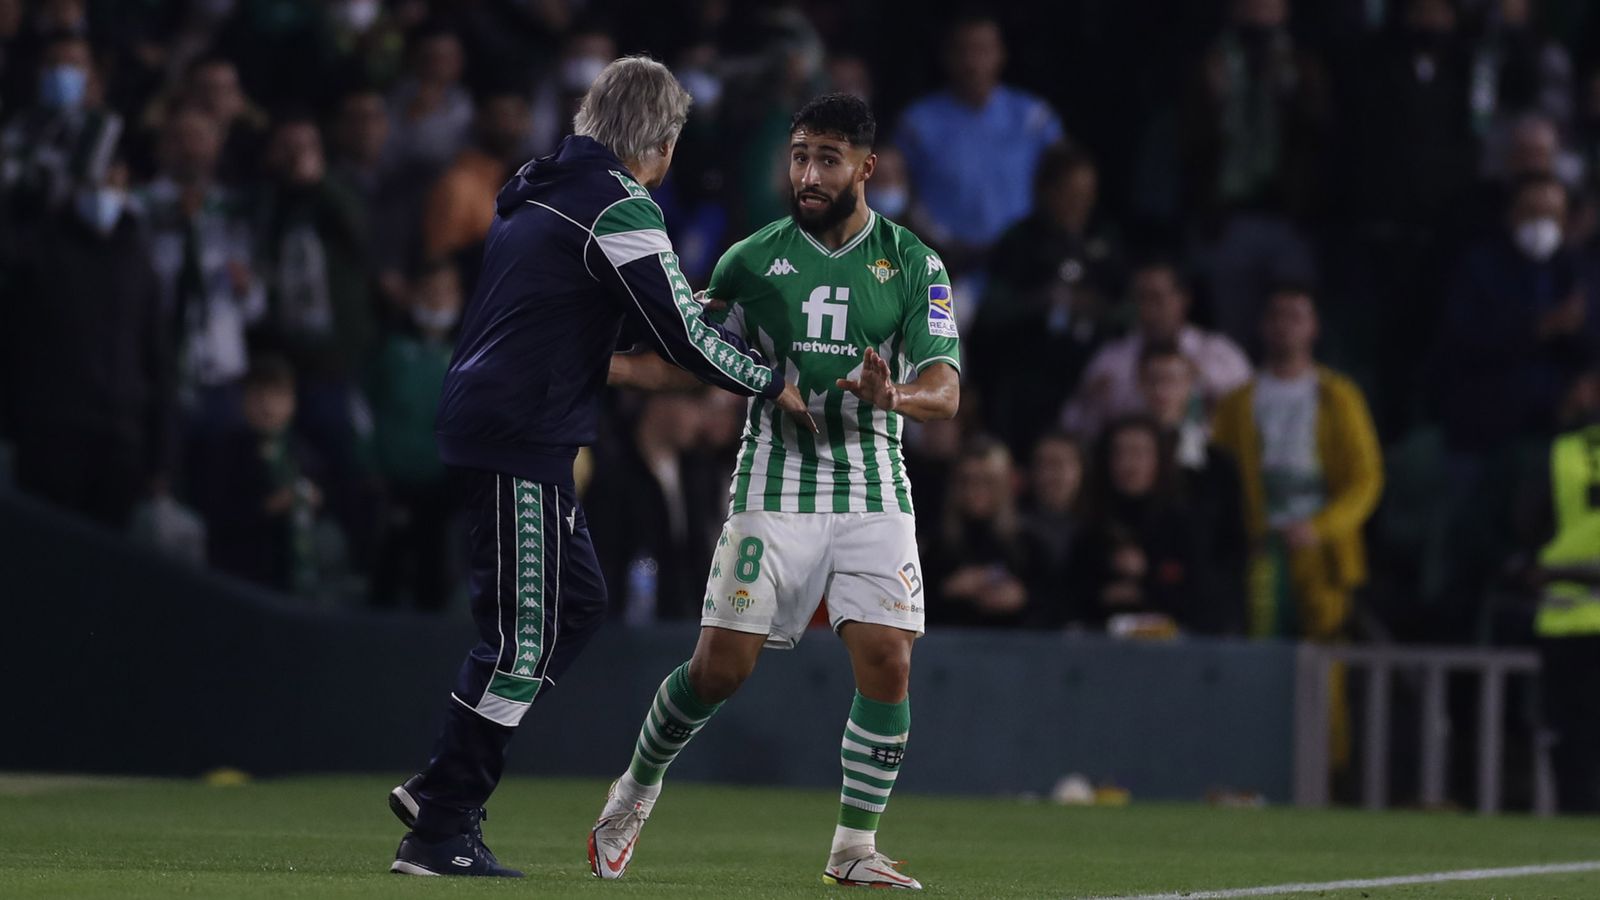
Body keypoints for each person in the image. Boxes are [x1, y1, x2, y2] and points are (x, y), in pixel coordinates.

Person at [385, 56, 806, 879]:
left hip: (505, 422)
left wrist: (669, 333)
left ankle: (442, 784)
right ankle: (442, 824)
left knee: (577, 603)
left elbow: (587, 315)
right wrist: (768, 380)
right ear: (663, 141)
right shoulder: (618, 206)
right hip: (520, 434)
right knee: (524, 639)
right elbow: (682, 333)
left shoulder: (547, 185)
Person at [594, 93, 960, 890]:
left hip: (872, 485)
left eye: (827, 158)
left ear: (865, 168)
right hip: (774, 480)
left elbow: (945, 389)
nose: (808, 174)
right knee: (720, 670)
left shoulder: (913, 263)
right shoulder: (750, 259)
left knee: (888, 659)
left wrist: (896, 395)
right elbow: (689, 358)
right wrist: (606, 366)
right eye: (799, 156)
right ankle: (633, 793)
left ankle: (853, 849)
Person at [1212, 286, 1383, 640]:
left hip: (1321, 550)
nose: (1284, 326)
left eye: (1295, 316)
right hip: (1259, 547)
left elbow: (1366, 479)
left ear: (1314, 326)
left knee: (1326, 652)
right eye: (1276, 316)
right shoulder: (1237, 402)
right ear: (1262, 325)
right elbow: (1220, 476)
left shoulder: (1339, 396)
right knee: (1259, 642)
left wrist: (1320, 527)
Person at [894, 14, 1065, 273]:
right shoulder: (917, 123)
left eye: (983, 50)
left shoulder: (1033, 117)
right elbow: (898, 193)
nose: (972, 62)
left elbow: (1065, 182)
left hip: (1022, 262)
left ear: (1001, 55)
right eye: (963, 51)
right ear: (946, 57)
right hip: (943, 261)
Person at [1061, 260, 1251, 439]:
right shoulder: (1112, 359)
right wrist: (1090, 402)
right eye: (1141, 298)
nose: (1148, 309)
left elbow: (1248, 415)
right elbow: (1072, 426)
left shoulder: (1219, 354)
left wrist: (1210, 389)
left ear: (1183, 299)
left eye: (1157, 298)